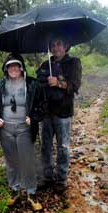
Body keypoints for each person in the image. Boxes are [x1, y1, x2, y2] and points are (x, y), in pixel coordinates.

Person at [0, 53, 45, 211]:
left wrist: (33, 117)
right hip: (5, 130)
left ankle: (31, 193)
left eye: (16, 65)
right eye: (9, 66)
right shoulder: (0, 85)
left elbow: (42, 105)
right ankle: (15, 190)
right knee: (12, 161)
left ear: (21, 67)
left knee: (27, 160)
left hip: (24, 128)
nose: (13, 68)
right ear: (6, 69)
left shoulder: (32, 84)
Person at [36, 37, 82, 193]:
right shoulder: (44, 65)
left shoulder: (74, 63)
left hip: (63, 112)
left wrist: (59, 83)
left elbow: (75, 86)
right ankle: (47, 176)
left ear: (66, 45)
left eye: (59, 44)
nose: (55, 48)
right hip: (47, 113)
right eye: (53, 45)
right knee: (45, 146)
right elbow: (39, 86)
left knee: (63, 147)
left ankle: (61, 179)